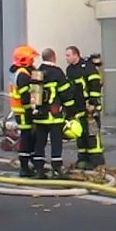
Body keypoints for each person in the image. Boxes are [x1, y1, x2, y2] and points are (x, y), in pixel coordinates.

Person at [32, 48, 74, 179]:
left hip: (39, 116)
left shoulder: (37, 72)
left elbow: (33, 94)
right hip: (54, 116)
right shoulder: (57, 73)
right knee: (56, 142)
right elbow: (65, 93)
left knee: (39, 143)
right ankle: (56, 170)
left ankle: (39, 169)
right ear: (53, 57)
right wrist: (70, 110)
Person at [65, 46, 106, 168]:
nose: (66, 58)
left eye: (68, 55)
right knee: (81, 135)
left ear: (75, 55)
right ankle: (83, 159)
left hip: (89, 108)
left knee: (92, 134)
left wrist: (92, 103)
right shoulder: (70, 70)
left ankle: (96, 160)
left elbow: (95, 86)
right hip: (78, 108)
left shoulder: (88, 68)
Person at [7, 45, 40, 178]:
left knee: (31, 138)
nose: (33, 62)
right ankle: (24, 167)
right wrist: (29, 112)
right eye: (31, 59)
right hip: (23, 112)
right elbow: (25, 97)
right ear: (24, 59)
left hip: (23, 111)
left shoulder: (23, 72)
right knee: (26, 139)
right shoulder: (22, 75)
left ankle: (30, 164)